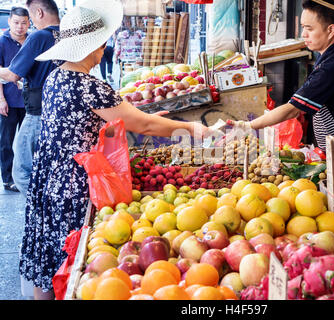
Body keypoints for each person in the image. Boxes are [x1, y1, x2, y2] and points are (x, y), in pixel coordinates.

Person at [19, 0, 210, 300]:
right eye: (101, 45)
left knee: (50, 260)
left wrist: (138, 122)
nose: (102, 53)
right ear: (91, 47)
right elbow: (143, 126)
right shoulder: (90, 85)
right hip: (73, 182)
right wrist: (191, 129)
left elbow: (79, 123)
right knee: (71, 261)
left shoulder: (55, 77)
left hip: (47, 178)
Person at [229, 0, 334, 170]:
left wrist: (248, 126)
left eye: (309, 29)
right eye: (303, 27)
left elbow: (293, 109)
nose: (304, 34)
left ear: (330, 30)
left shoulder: (333, 64)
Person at [0, 0, 60, 196]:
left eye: (30, 17)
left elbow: (12, 75)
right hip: (61, 112)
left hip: (38, 112)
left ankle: (42, 209)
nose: (28, 23)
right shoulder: (66, 35)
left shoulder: (39, 37)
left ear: (39, 13)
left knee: (22, 172)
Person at [0, 7, 30, 192]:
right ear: (10, 21)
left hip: (30, 101)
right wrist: (1, 99)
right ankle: (8, 178)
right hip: (9, 101)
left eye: (24, 22)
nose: (20, 27)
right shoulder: (2, 42)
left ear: (29, 22)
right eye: (16, 22)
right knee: (6, 141)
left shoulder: (33, 41)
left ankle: (28, 176)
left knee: (29, 142)